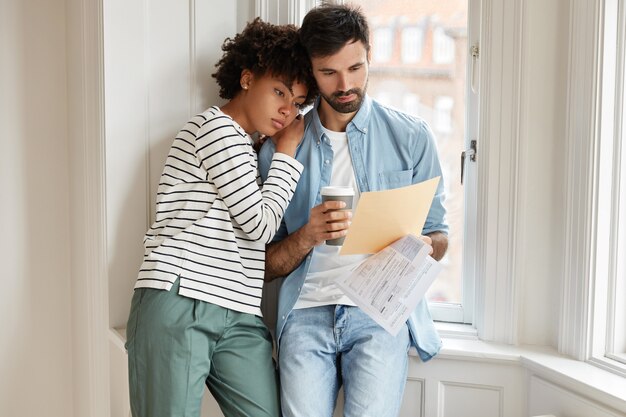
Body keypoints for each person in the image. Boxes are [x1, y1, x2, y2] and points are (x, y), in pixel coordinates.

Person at [258, 3, 449, 417]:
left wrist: (421, 247)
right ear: (310, 70)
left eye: (356, 68)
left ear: (369, 57)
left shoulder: (411, 137)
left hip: (380, 313)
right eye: (329, 72)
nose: (346, 84)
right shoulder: (281, 147)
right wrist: (308, 235)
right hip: (306, 311)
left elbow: (440, 235)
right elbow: (264, 263)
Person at [124, 18, 316, 417]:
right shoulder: (216, 128)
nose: (287, 110)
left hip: (239, 310)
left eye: (297, 103)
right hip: (181, 299)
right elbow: (260, 225)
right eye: (279, 91)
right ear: (246, 78)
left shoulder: (245, 148)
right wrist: (287, 151)